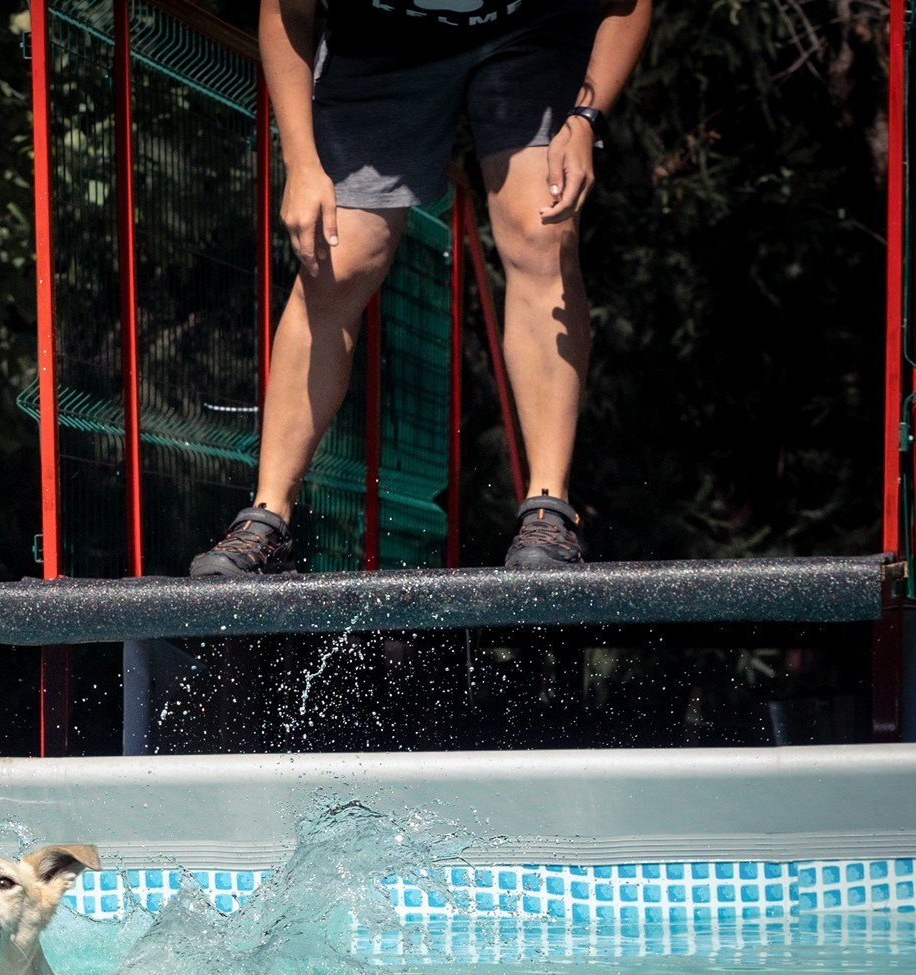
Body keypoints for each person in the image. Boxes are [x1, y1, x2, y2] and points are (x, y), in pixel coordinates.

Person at [189, 0, 652, 577]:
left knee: (541, 231)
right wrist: (302, 162)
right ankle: (266, 521)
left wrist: (586, 119)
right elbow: (287, 15)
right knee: (336, 259)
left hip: (532, 33)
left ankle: (549, 513)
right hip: (381, 45)